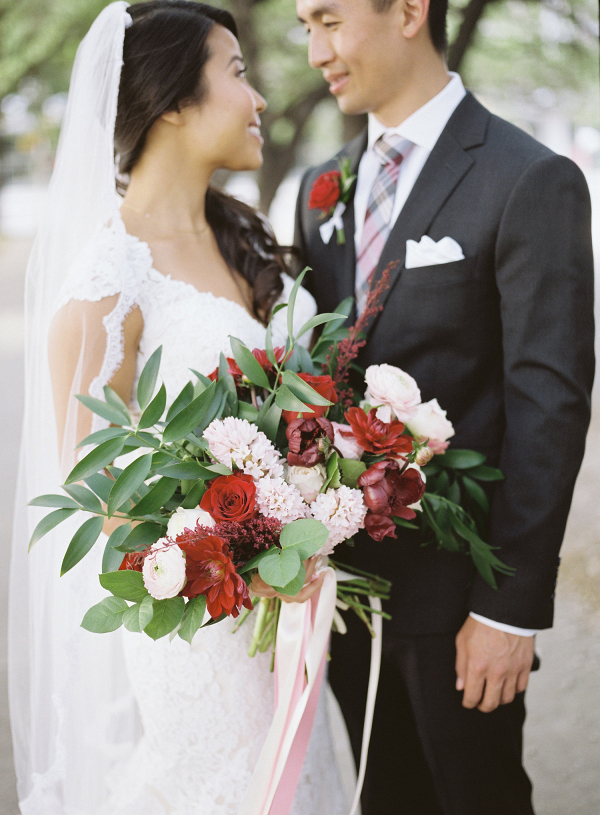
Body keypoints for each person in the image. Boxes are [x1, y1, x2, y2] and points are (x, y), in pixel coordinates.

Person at [9, 2, 348, 813]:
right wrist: (247, 555)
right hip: (198, 639)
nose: (260, 99)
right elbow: (101, 506)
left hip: (285, 619)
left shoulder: (244, 240)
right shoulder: (110, 274)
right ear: (169, 101)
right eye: (237, 74)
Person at [294, 0, 595, 812]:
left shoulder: (529, 177)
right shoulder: (318, 189)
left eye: (329, 19)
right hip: (345, 595)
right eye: (303, 26)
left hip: (461, 601)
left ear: (409, 11)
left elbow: (551, 404)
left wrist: (510, 611)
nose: (316, 49)